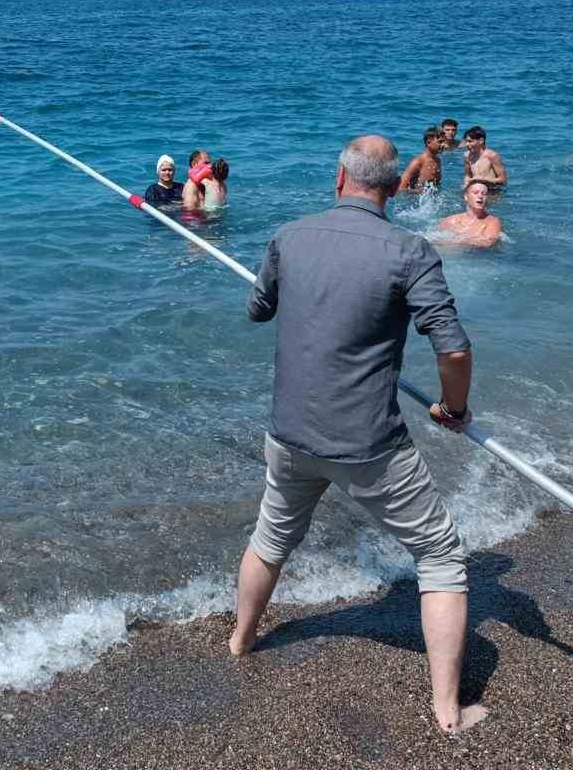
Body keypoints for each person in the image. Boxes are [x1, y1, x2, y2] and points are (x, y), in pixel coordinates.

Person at [233, 135, 485, 736]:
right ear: (396, 188)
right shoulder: (409, 250)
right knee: (441, 554)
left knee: (272, 536)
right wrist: (455, 408)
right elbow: (452, 346)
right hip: (368, 445)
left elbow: (257, 310)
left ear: (337, 178)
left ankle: (241, 640)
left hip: (289, 434)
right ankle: (448, 711)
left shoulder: (288, 237)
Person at [437, 181, 503, 248]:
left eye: (484, 194)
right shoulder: (450, 221)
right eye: (475, 193)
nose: (480, 196)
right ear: (466, 197)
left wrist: (459, 240)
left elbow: (488, 243)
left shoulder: (492, 222)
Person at [398, 128, 445, 193]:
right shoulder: (418, 162)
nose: (443, 145)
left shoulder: (438, 161)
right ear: (428, 143)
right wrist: (418, 191)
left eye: (443, 141)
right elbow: (400, 188)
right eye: (440, 142)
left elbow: (437, 185)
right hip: (414, 201)